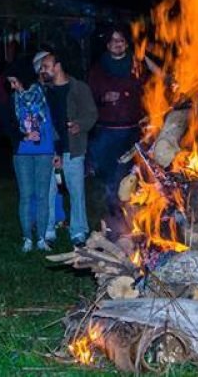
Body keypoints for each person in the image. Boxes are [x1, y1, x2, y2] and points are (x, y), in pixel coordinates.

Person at [86, 28, 145, 238]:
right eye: (113, 41)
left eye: (121, 40)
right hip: (107, 133)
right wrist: (103, 98)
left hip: (131, 132)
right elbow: (90, 98)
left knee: (129, 178)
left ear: (126, 44)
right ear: (108, 46)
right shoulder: (98, 70)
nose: (117, 44)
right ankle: (113, 223)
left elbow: (148, 92)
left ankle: (131, 221)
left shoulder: (135, 65)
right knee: (110, 178)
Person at [38, 50, 99, 247]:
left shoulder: (79, 88)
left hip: (74, 148)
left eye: (46, 66)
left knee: (76, 191)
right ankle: (48, 231)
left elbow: (91, 113)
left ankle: (78, 232)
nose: (43, 70)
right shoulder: (44, 91)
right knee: (48, 190)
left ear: (57, 67)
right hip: (49, 149)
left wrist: (79, 125)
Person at [9, 66, 57, 253]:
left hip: (45, 150)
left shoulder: (45, 94)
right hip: (22, 152)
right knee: (26, 195)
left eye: (15, 81)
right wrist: (24, 136)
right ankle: (27, 237)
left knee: (43, 195)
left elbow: (56, 122)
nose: (13, 86)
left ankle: (42, 238)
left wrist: (58, 150)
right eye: (10, 83)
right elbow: (7, 125)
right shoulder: (13, 99)